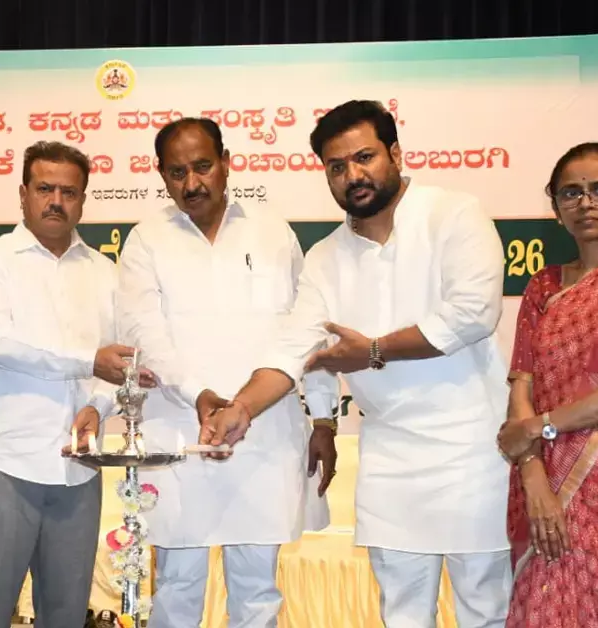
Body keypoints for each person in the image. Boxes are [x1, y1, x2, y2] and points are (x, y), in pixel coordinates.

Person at [203, 100, 514, 627]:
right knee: (402, 614)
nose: (353, 175)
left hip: (474, 448)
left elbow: (473, 315)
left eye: (364, 157)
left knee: (487, 610)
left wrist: (374, 350)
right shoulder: (326, 257)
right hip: (390, 455)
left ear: (395, 153)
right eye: (337, 166)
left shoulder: (454, 214)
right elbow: (294, 348)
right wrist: (242, 408)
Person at [114, 117, 339, 627]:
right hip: (179, 436)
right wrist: (199, 394)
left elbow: (308, 330)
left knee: (258, 593)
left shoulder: (272, 231)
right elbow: (145, 335)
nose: (192, 183)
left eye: (202, 167)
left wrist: (324, 419)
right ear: (160, 175)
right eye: (177, 173)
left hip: (266, 436)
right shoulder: (146, 241)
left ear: (226, 162)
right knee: (176, 587)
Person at [0, 141, 154, 628]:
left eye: (69, 192)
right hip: (3, 463)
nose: (56, 202)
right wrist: (88, 361)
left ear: (83, 199)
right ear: (23, 193)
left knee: (65, 617)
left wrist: (99, 407)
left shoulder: (105, 272)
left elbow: (123, 359)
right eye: (45, 189)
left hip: (78, 471)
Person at [496, 142, 598, 627]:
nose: (586, 202)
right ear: (555, 207)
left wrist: (542, 427)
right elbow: (521, 388)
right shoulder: (543, 286)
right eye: (571, 192)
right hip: (545, 476)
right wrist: (534, 478)